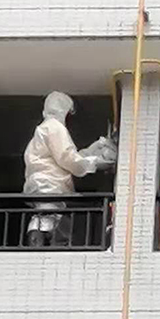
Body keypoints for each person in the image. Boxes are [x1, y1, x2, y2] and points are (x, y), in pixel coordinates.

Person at [24, 92, 112, 246]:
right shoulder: (55, 128)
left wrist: (91, 151)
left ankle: (38, 244)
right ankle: (46, 246)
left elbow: (66, 157)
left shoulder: (43, 130)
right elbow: (68, 159)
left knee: (43, 218)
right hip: (50, 187)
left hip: (41, 186)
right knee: (50, 222)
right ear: (64, 110)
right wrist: (95, 163)